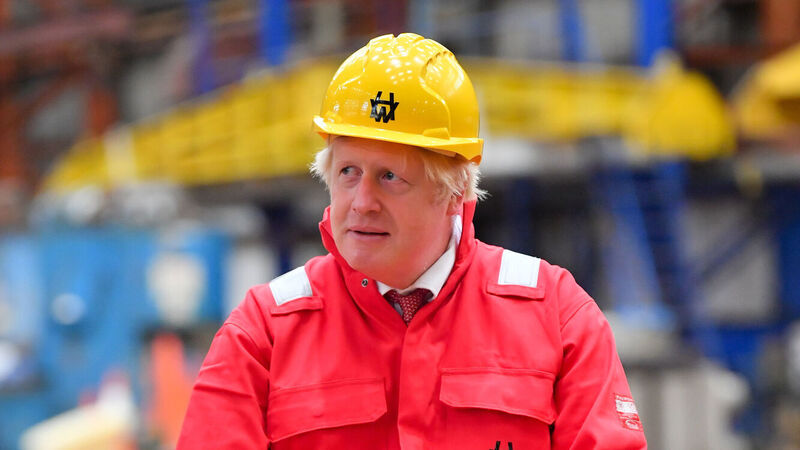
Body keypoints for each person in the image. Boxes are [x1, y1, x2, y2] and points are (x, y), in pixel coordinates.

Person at [177, 33, 647, 449]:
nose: (362, 202)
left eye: (390, 177)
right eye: (348, 172)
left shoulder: (554, 315)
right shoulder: (263, 333)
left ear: (455, 192)